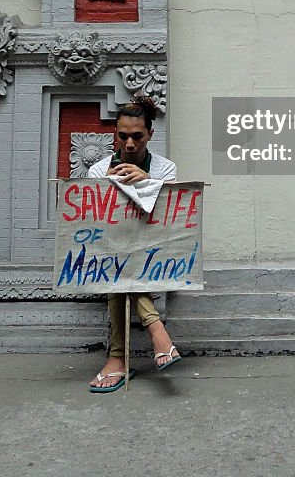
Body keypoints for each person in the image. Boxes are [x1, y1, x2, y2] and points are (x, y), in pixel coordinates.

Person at [86, 96, 181, 392]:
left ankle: (117, 359)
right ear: (115, 134)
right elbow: (95, 224)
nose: (129, 144)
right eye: (122, 136)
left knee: (123, 262)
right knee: (118, 259)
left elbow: (169, 217)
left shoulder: (165, 169)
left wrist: (148, 181)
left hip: (153, 250)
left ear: (150, 134)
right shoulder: (99, 171)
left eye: (137, 136)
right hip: (111, 251)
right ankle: (157, 331)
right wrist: (106, 188)